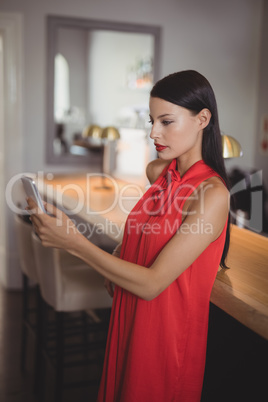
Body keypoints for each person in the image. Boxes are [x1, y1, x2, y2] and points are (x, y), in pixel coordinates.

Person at [27, 70, 230, 402]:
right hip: (130, 318)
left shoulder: (212, 194)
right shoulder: (160, 173)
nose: (153, 132)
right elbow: (147, 230)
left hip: (165, 336)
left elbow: (152, 284)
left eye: (166, 121)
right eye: (152, 120)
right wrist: (121, 252)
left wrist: (74, 242)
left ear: (202, 119)